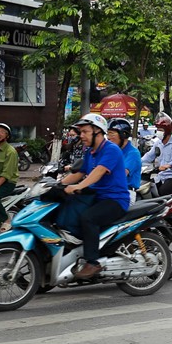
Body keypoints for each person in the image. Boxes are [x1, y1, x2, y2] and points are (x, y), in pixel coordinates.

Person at [58, 114, 129, 279]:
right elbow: (79, 173)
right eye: (80, 132)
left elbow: (98, 172)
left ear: (98, 132)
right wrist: (57, 185)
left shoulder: (111, 149)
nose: (81, 136)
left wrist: (78, 186)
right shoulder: (90, 152)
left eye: (85, 132)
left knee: (88, 218)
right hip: (96, 197)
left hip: (115, 200)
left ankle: (93, 262)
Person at [141, 113, 172, 196]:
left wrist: (169, 165)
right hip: (160, 176)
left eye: (161, 130)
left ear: (167, 131)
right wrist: (137, 162)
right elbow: (149, 156)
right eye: (158, 129)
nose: (158, 132)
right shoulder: (158, 143)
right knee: (149, 190)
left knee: (162, 192)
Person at [107, 118, 141, 205]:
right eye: (107, 134)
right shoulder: (113, 151)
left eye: (112, 134)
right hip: (111, 191)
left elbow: (122, 173)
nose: (108, 137)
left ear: (123, 135)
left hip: (125, 193)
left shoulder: (132, 153)